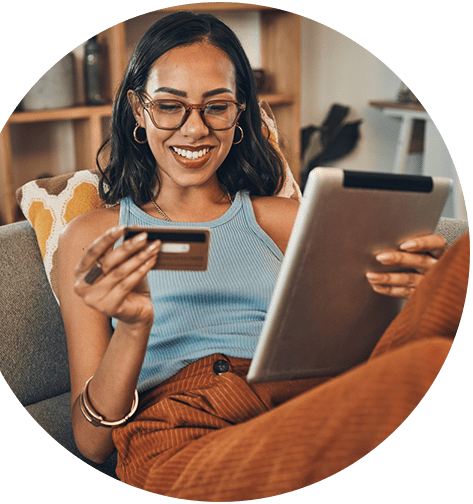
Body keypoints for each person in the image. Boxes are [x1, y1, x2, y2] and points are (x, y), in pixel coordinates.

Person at [57, 11, 461, 500]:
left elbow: (354, 338)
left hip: (296, 398)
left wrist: (414, 290)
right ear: (139, 111)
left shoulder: (284, 218)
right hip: (180, 431)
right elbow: (92, 444)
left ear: (239, 114)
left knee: (458, 266)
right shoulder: (94, 235)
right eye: (170, 106)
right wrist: (136, 329)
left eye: (216, 106)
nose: (194, 129)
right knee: (428, 368)